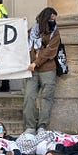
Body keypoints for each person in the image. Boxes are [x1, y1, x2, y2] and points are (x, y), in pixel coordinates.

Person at [22, 7, 60, 135]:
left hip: (47, 70)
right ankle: (30, 126)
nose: (53, 21)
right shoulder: (32, 31)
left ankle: (42, 126)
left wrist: (36, 62)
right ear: (46, 18)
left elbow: (50, 51)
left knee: (46, 98)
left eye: (54, 19)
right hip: (32, 70)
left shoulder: (55, 32)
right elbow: (24, 45)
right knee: (29, 97)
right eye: (52, 18)